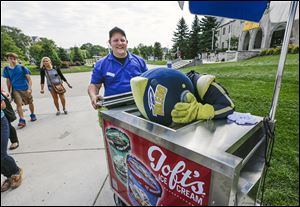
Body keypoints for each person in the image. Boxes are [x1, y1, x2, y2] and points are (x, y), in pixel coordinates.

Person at [88, 27, 148, 110]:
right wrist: (93, 96)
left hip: (139, 106)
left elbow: (148, 81)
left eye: (122, 40)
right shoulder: (101, 64)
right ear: (110, 43)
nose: (120, 43)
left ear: (127, 42)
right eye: (115, 40)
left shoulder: (139, 61)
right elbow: (94, 85)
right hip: (113, 108)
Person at [2, 52, 37, 129]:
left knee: (30, 102)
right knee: (18, 104)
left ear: (16, 59)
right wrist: (9, 91)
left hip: (25, 88)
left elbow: (29, 79)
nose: (13, 60)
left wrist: (29, 88)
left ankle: (32, 114)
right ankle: (22, 119)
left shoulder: (22, 67)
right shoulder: (6, 69)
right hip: (15, 89)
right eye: (10, 58)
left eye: (14, 58)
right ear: (7, 59)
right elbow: (8, 81)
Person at [1, 94, 23, 192]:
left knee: (2, 154)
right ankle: (9, 177)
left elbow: (3, 105)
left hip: (1, 124)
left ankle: (16, 171)